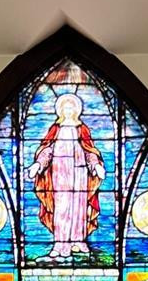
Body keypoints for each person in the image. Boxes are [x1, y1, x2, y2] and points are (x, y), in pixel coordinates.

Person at [28, 93, 105, 262]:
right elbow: (47, 150)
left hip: (79, 173)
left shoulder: (82, 129)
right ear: (61, 110)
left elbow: (89, 151)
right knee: (61, 208)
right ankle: (60, 244)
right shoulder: (55, 129)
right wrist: (38, 165)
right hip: (60, 173)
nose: (69, 110)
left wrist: (96, 166)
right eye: (65, 107)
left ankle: (78, 241)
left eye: (71, 107)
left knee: (79, 208)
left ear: (76, 110)